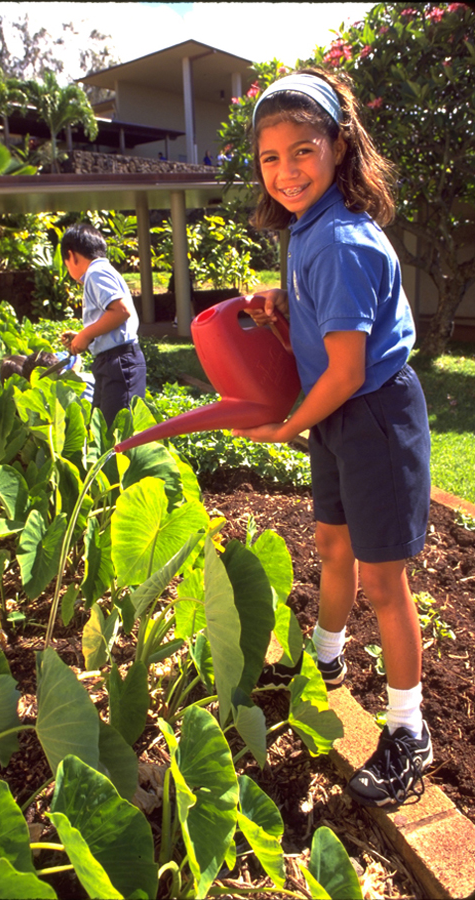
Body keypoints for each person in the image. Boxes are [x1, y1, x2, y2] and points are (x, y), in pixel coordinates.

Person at [236, 69, 433, 808]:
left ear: (339, 146)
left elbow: (347, 369)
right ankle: (326, 660)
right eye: (270, 157)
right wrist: (279, 301)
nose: (286, 171)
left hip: (371, 415)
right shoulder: (310, 228)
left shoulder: (342, 240)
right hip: (339, 415)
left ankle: (410, 733)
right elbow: (325, 315)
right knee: (330, 545)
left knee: (385, 582)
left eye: (303, 150)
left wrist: (285, 426)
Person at [60, 223, 146, 426]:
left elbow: (121, 311)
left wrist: (87, 335)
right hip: (112, 361)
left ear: (72, 256)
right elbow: (111, 317)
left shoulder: (95, 273)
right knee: (103, 429)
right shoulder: (103, 271)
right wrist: (84, 335)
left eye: (66, 264)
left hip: (119, 362)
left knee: (116, 435)